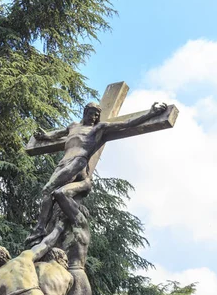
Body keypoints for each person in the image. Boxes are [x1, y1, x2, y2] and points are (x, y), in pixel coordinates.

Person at [28, 100, 167, 242]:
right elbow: (55, 135)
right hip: (63, 163)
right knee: (50, 193)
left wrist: (150, 113)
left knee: (48, 189)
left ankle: (38, 230)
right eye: (91, 114)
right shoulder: (73, 126)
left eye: (96, 115)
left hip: (78, 161)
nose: (93, 117)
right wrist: (44, 136)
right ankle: (43, 229)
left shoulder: (99, 128)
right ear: (85, 112)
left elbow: (127, 124)